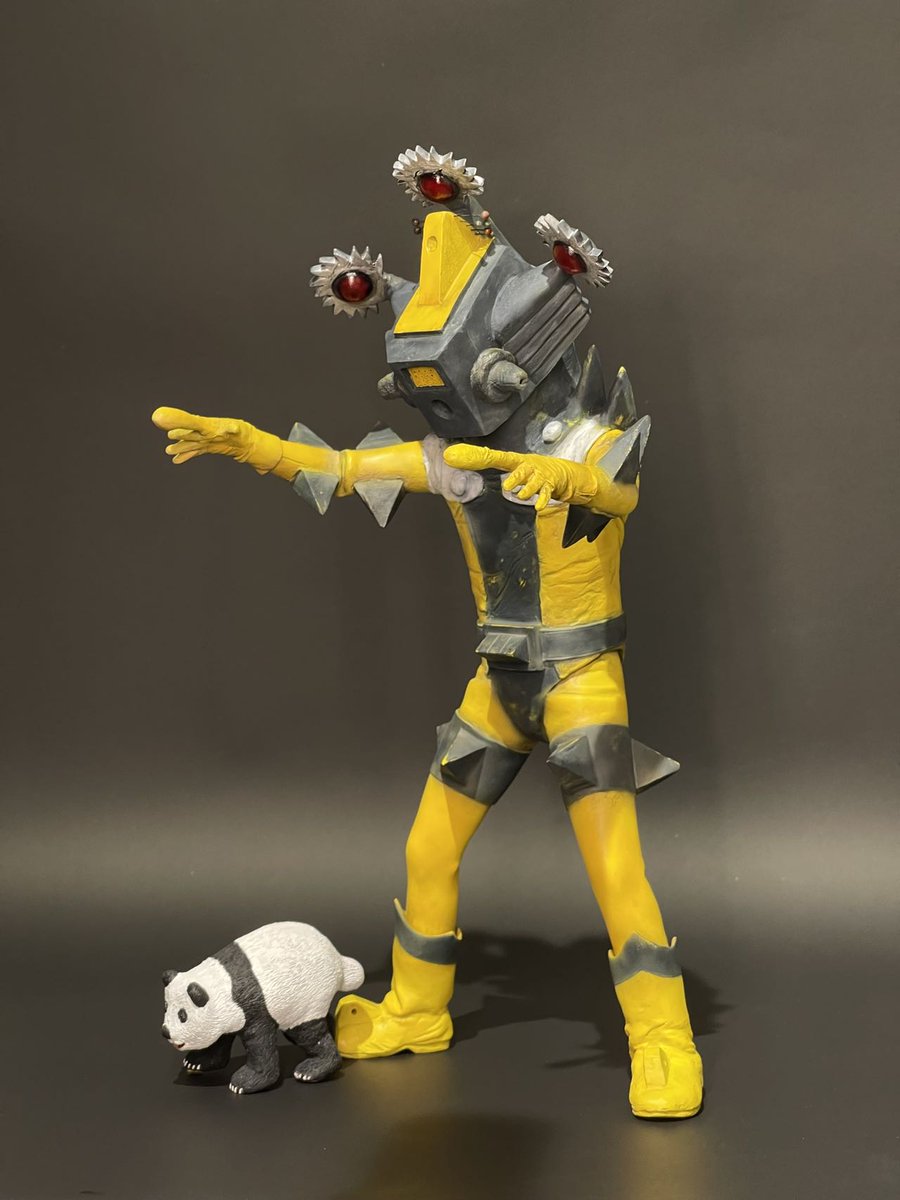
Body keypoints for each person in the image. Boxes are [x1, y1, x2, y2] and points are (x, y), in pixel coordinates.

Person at [151, 146, 704, 1118]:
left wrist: (569, 479)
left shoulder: (584, 439)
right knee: (427, 850)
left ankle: (663, 1036)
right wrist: (255, 445)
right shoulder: (454, 458)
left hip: (580, 676)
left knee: (615, 867)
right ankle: (416, 1007)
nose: (441, 406)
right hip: (502, 680)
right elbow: (347, 473)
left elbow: (617, 489)